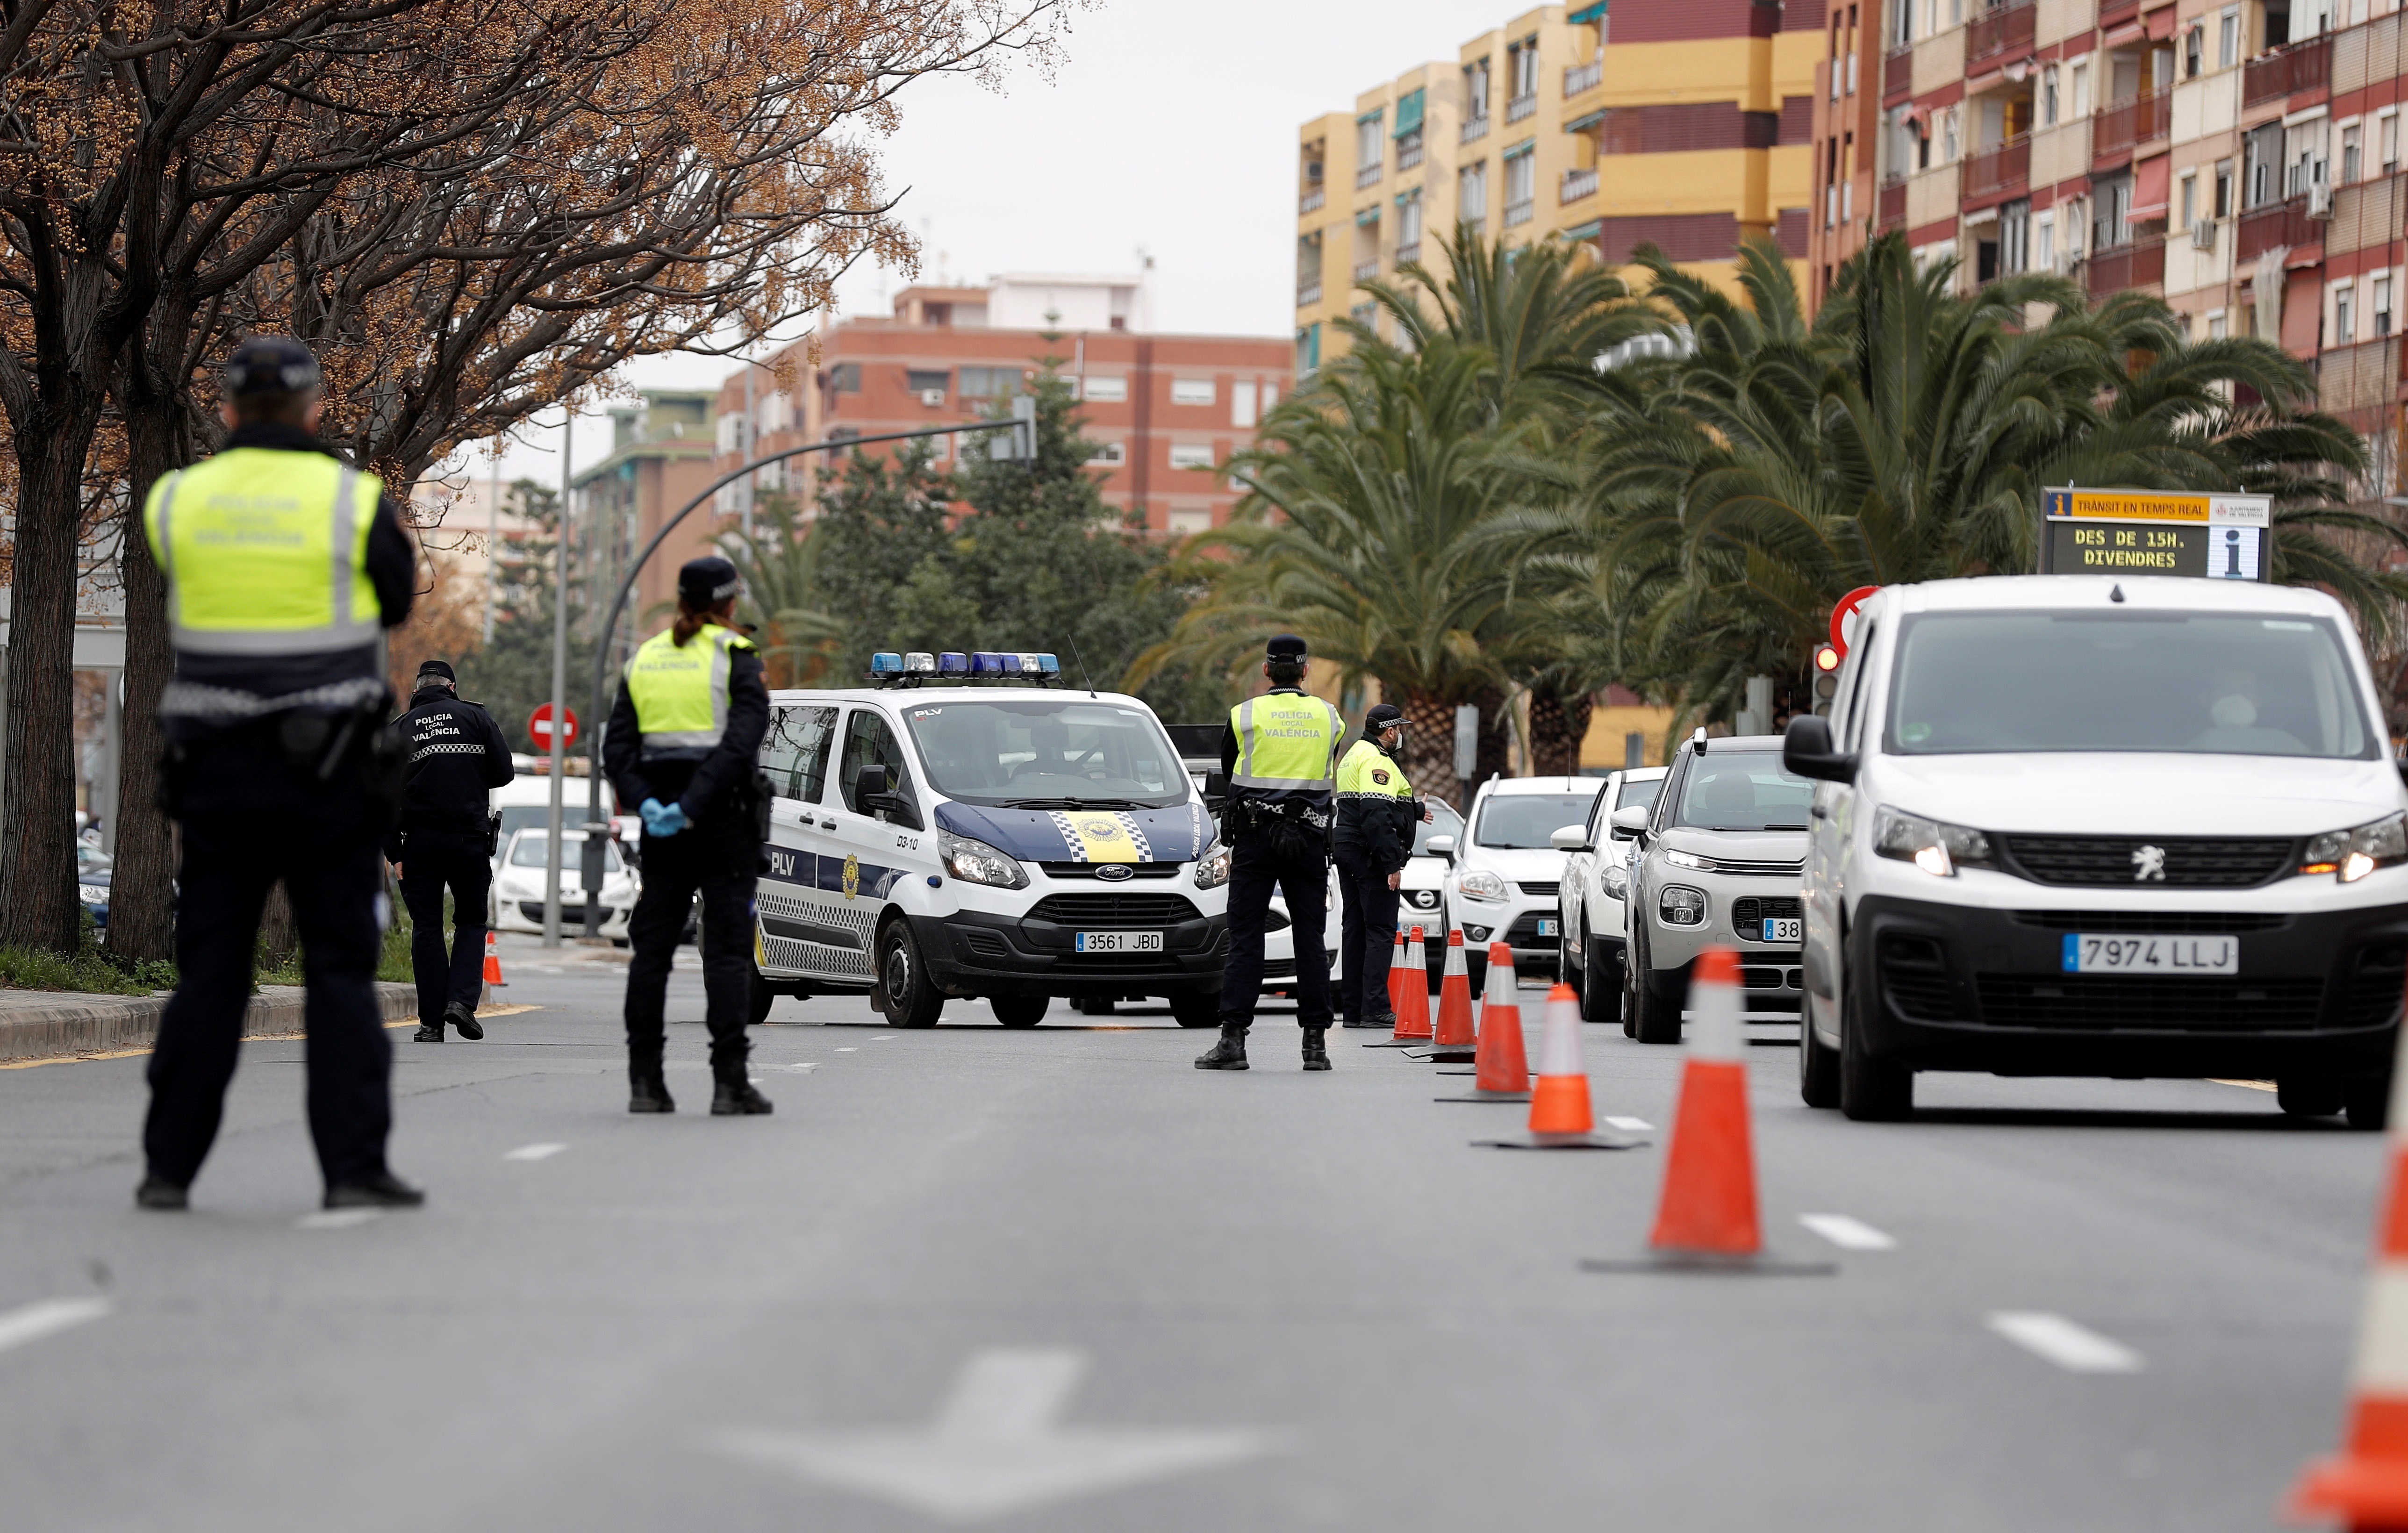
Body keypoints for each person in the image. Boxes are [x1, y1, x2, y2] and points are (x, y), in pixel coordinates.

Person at [135, 335, 421, 1212]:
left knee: (211, 974)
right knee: (338, 971)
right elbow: (398, 600)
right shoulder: (353, 500)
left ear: (223, 411)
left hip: (217, 774)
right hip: (328, 774)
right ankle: (351, 1170)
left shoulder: (175, 502)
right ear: (315, 409)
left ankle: (169, 1171)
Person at [603, 556, 773, 1116]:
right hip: (723, 823)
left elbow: (618, 750)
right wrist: (694, 804)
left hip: (662, 832)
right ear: (728, 603)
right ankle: (730, 1084)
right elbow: (742, 742)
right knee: (726, 955)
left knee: (650, 953)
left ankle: (644, 1083)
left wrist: (651, 805)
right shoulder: (736, 656)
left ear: (680, 600)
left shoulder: (644, 659)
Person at [1196, 634, 1347, 1073]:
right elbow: (1327, 763)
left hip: (1256, 838)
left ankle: (1233, 1042)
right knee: (1310, 941)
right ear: (1304, 672)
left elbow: (1230, 770)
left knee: (1245, 937)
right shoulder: (1328, 716)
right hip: (1309, 839)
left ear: (1266, 671)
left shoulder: (1245, 715)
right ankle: (1315, 1046)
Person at [385, 659, 515, 1042]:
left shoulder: (399, 730)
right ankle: (460, 1002)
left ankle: (431, 1024)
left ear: (416, 691)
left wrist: (395, 855)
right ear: (452, 688)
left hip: (419, 843)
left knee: (427, 927)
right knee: (472, 921)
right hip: (469, 840)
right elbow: (504, 771)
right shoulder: (476, 718)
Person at [1333, 703, 1427, 1029]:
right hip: (1370, 855)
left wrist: (1413, 809)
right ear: (1389, 731)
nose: (1400, 735)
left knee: (1356, 930)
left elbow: (1369, 802)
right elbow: (1375, 813)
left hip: (1348, 850)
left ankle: (1355, 1009)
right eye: (1398, 729)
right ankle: (1375, 1008)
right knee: (1381, 931)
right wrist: (1391, 864)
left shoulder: (1354, 754)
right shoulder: (1376, 760)